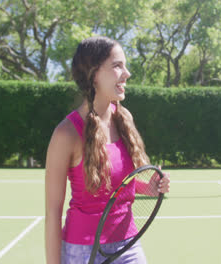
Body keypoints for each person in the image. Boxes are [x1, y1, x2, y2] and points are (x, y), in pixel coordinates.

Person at [45, 36, 170, 264]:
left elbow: (113, 187)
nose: (127, 73)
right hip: (82, 251)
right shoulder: (66, 134)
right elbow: (53, 214)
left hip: (129, 244)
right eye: (117, 66)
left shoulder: (124, 118)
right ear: (93, 75)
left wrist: (147, 188)